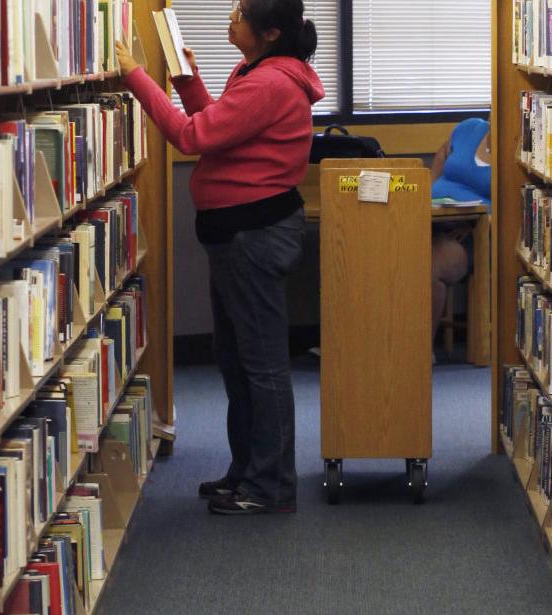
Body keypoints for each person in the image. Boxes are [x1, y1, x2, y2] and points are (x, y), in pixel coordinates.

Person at [114, 0, 324, 515]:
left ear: (269, 32)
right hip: (236, 235)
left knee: (262, 365)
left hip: (254, 235)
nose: (231, 19)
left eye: (239, 14)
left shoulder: (271, 83)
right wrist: (187, 83)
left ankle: (270, 486)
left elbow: (193, 137)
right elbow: (221, 127)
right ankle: (248, 472)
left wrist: (138, 78)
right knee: (236, 361)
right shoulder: (254, 71)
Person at [429, 117, 491, 349]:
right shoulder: (469, 129)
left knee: (430, 265)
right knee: (381, 251)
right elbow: (440, 157)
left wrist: (471, 219)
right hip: (431, 220)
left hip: (473, 233)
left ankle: (418, 353)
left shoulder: (517, 149)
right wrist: (425, 196)